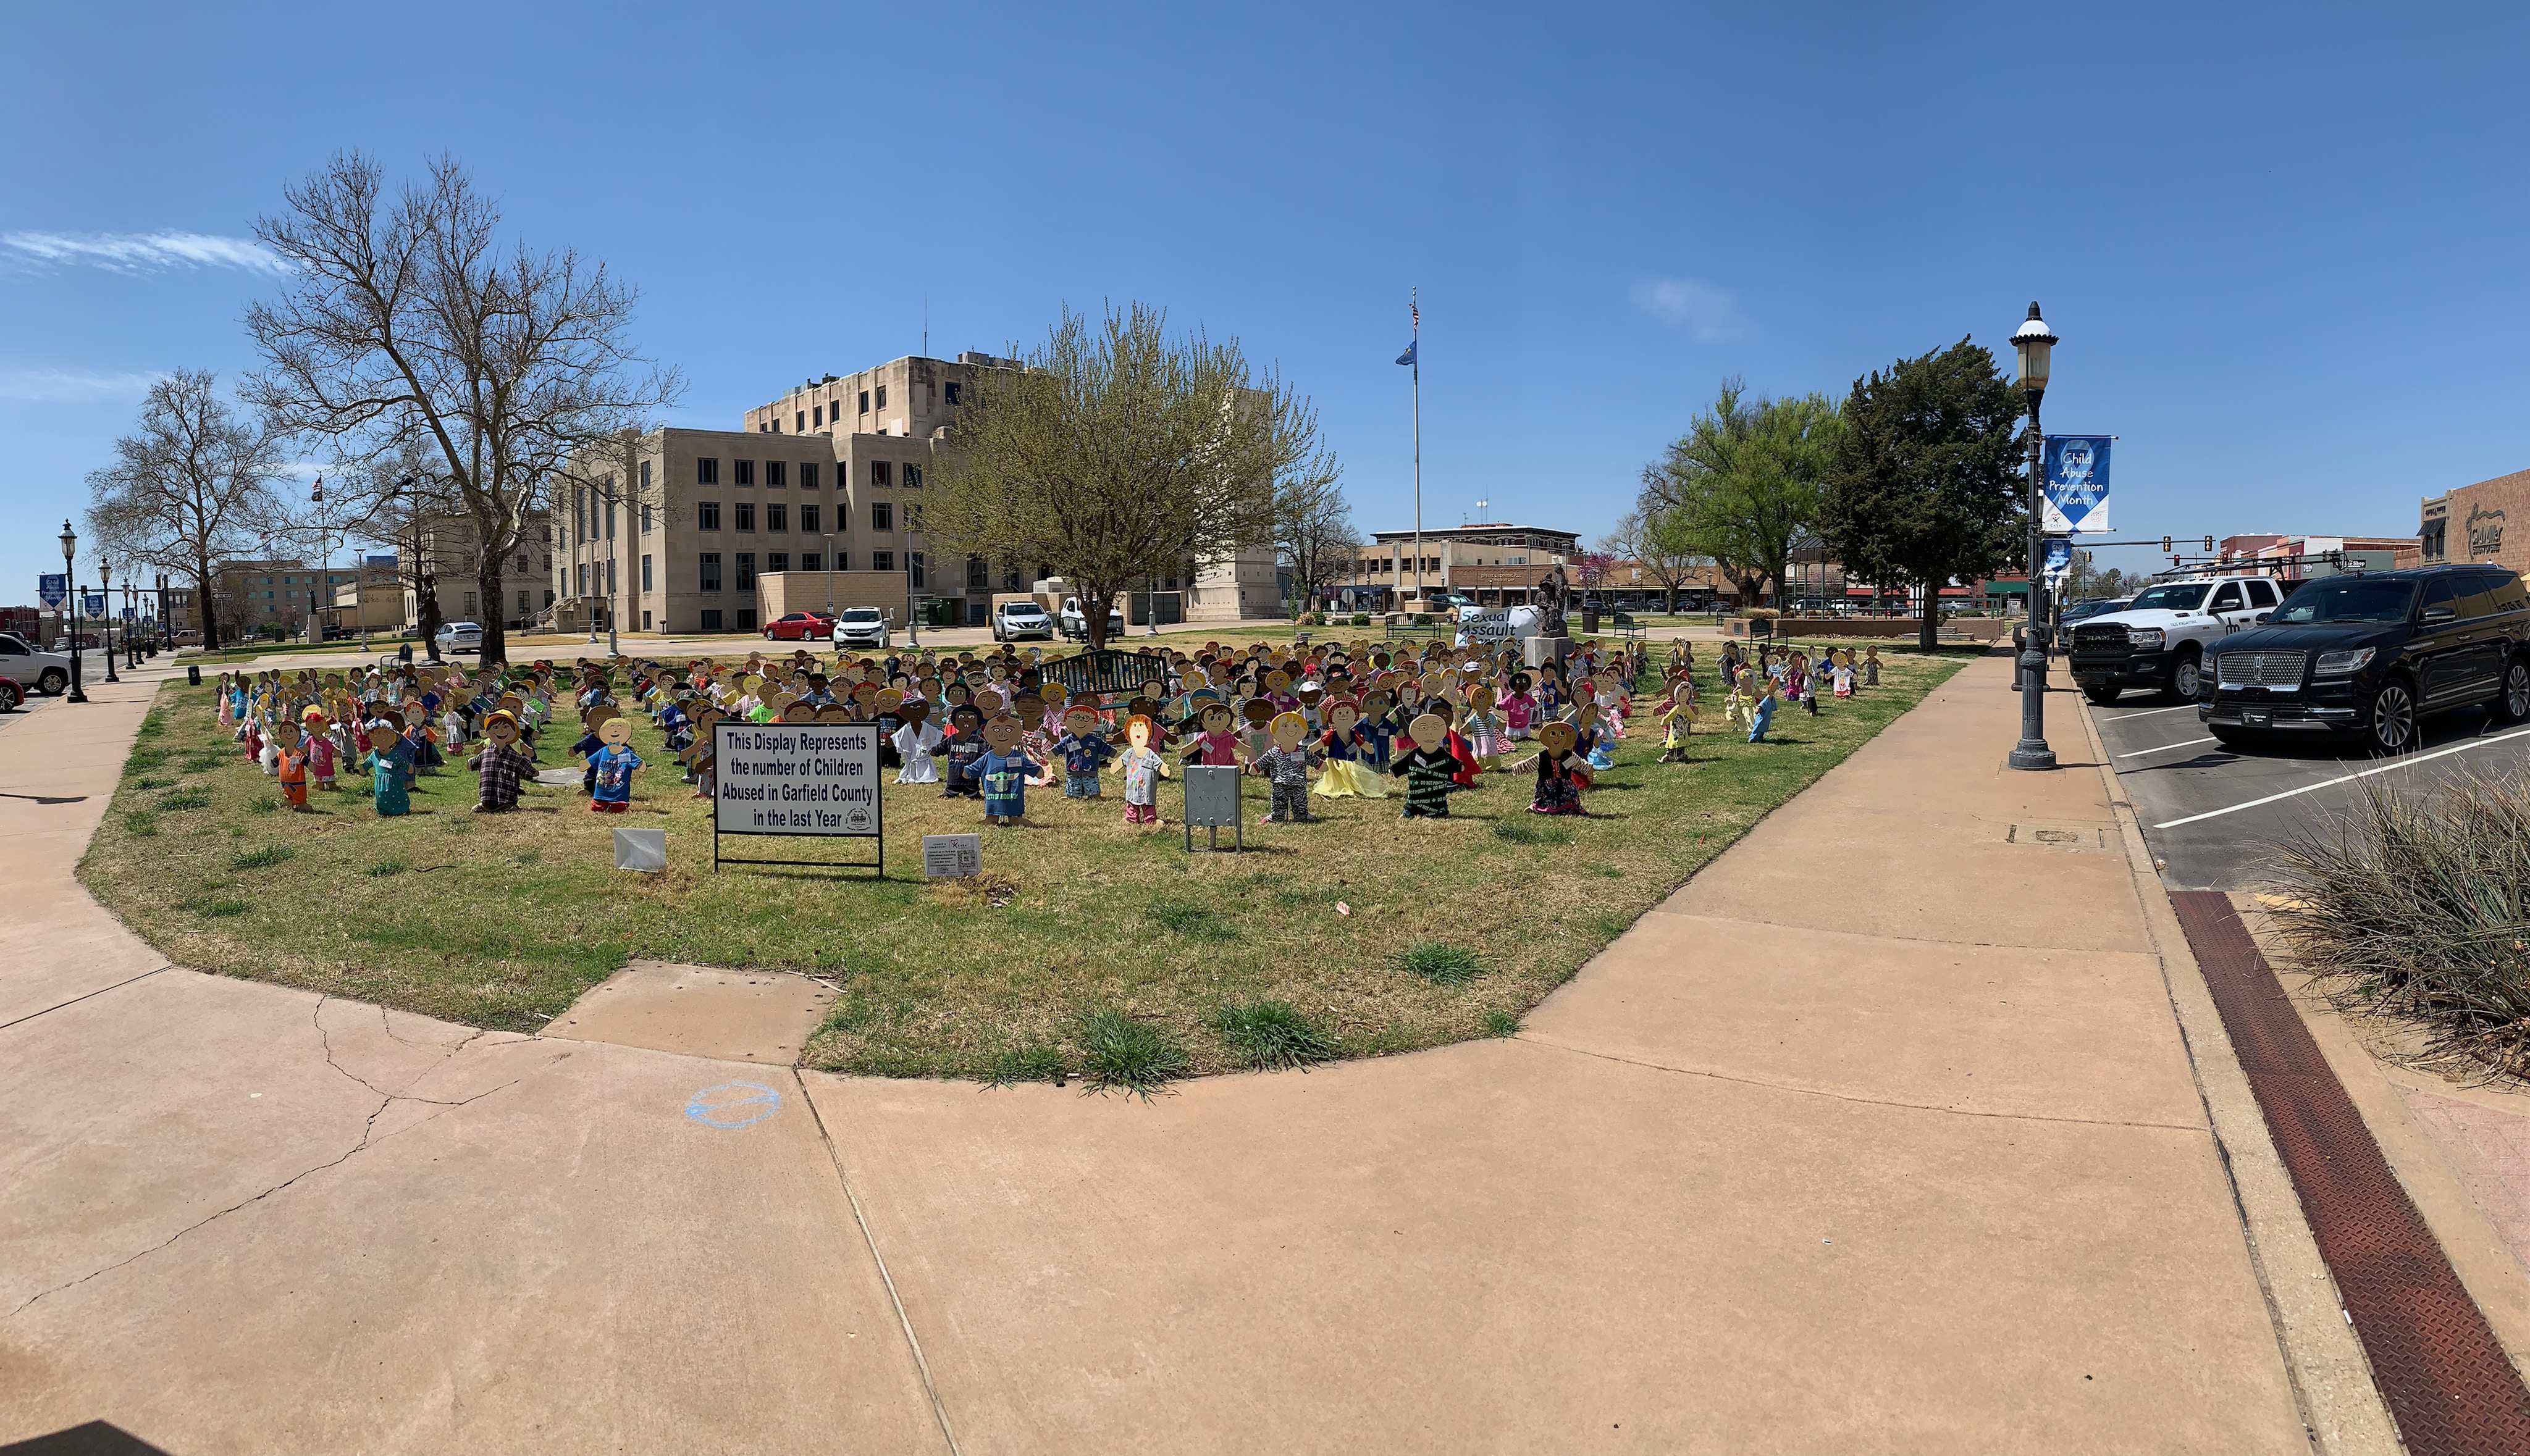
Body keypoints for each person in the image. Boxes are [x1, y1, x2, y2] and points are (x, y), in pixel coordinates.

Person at [469, 710, 533, 813]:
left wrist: (531, 772)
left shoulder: (513, 754)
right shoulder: (486, 752)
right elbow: (476, 759)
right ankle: (485, 804)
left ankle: (507, 805)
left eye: (506, 727)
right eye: (495, 728)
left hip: (506, 793)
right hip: (487, 794)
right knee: (487, 789)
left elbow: (523, 759)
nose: (501, 731)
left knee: (507, 785)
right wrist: (471, 763)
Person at [1117, 713, 1169, 825]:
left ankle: (1150, 819)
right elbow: (1120, 761)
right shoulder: (1130, 752)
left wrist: (1165, 770)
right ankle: (1131, 818)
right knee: (1132, 800)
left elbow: (1158, 763)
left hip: (1147, 783)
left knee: (1147, 801)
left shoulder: (1150, 753)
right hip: (1133, 783)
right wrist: (1114, 767)